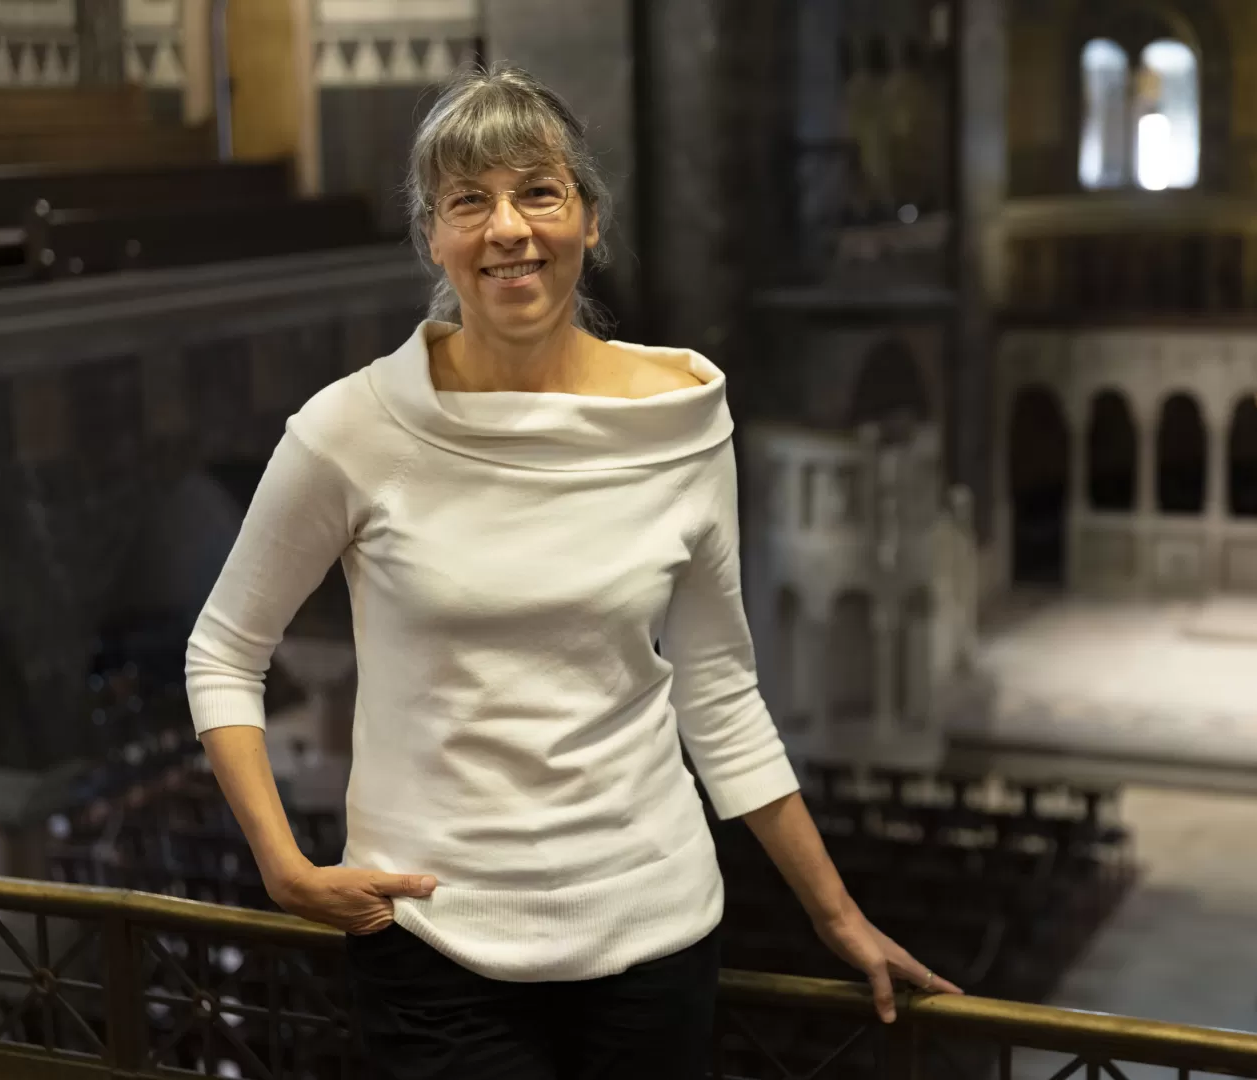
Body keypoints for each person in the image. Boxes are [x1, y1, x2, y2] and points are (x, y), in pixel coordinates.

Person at [183, 64, 960, 1080]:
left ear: (589, 220)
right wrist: (283, 867)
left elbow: (719, 691)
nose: (507, 228)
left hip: (652, 932)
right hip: (433, 942)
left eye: (537, 192)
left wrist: (837, 915)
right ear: (433, 238)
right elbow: (223, 651)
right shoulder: (352, 430)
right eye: (470, 201)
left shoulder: (680, 419)